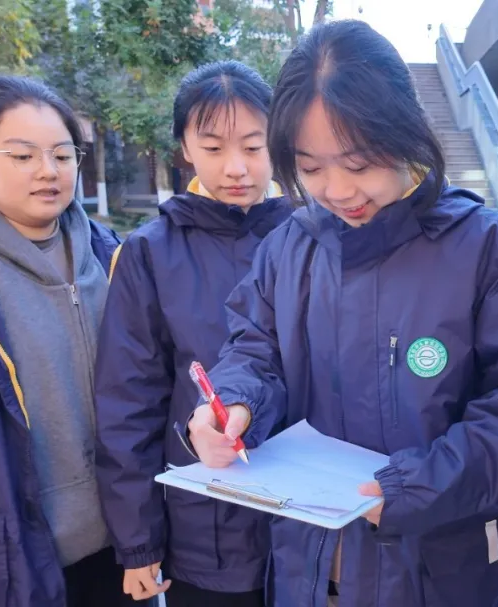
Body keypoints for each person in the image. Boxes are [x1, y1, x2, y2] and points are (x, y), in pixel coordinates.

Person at [182, 19, 498, 607]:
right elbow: (254, 351)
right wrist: (234, 404)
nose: (339, 190)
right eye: (311, 168)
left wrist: (420, 486)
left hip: (438, 567)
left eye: (360, 163)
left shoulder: (489, 250)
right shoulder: (288, 248)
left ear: (405, 130)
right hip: (308, 564)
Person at [0, 75, 150, 607]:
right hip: (15, 563)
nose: (48, 171)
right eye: (21, 156)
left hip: (125, 550)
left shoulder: (112, 256)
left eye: (62, 154)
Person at [93, 60, 293, 607]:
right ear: (184, 147)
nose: (236, 168)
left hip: (311, 525)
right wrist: (137, 542)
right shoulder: (150, 251)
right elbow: (128, 402)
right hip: (206, 528)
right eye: (213, 148)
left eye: (253, 146)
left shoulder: (312, 232)